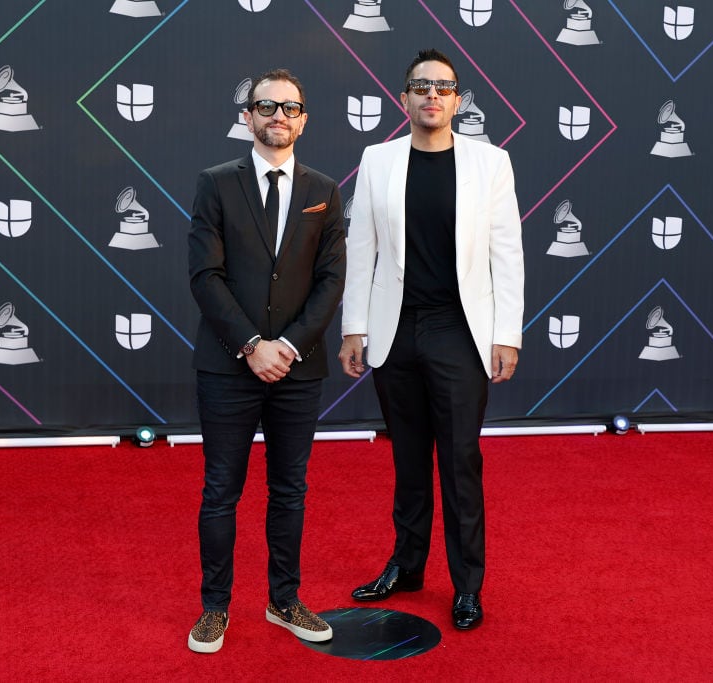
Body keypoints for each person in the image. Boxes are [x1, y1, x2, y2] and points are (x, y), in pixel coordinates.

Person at [338, 48, 524, 631]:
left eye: (443, 88)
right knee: (408, 458)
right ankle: (408, 566)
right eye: (421, 87)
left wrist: (506, 334)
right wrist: (354, 327)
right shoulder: (378, 159)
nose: (432, 96)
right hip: (396, 330)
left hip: (459, 332)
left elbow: (506, 255)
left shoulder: (491, 163)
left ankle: (467, 584)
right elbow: (361, 247)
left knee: (461, 461)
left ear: (458, 99)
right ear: (404, 98)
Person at [187, 67, 345, 653]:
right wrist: (253, 346)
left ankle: (284, 600)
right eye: (266, 106)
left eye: (290, 107)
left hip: (299, 368)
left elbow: (331, 281)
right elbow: (206, 275)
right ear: (247, 116)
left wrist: (290, 347)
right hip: (228, 364)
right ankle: (214, 608)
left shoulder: (325, 191)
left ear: (304, 119)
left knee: (290, 489)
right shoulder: (215, 183)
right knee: (221, 490)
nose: (279, 115)